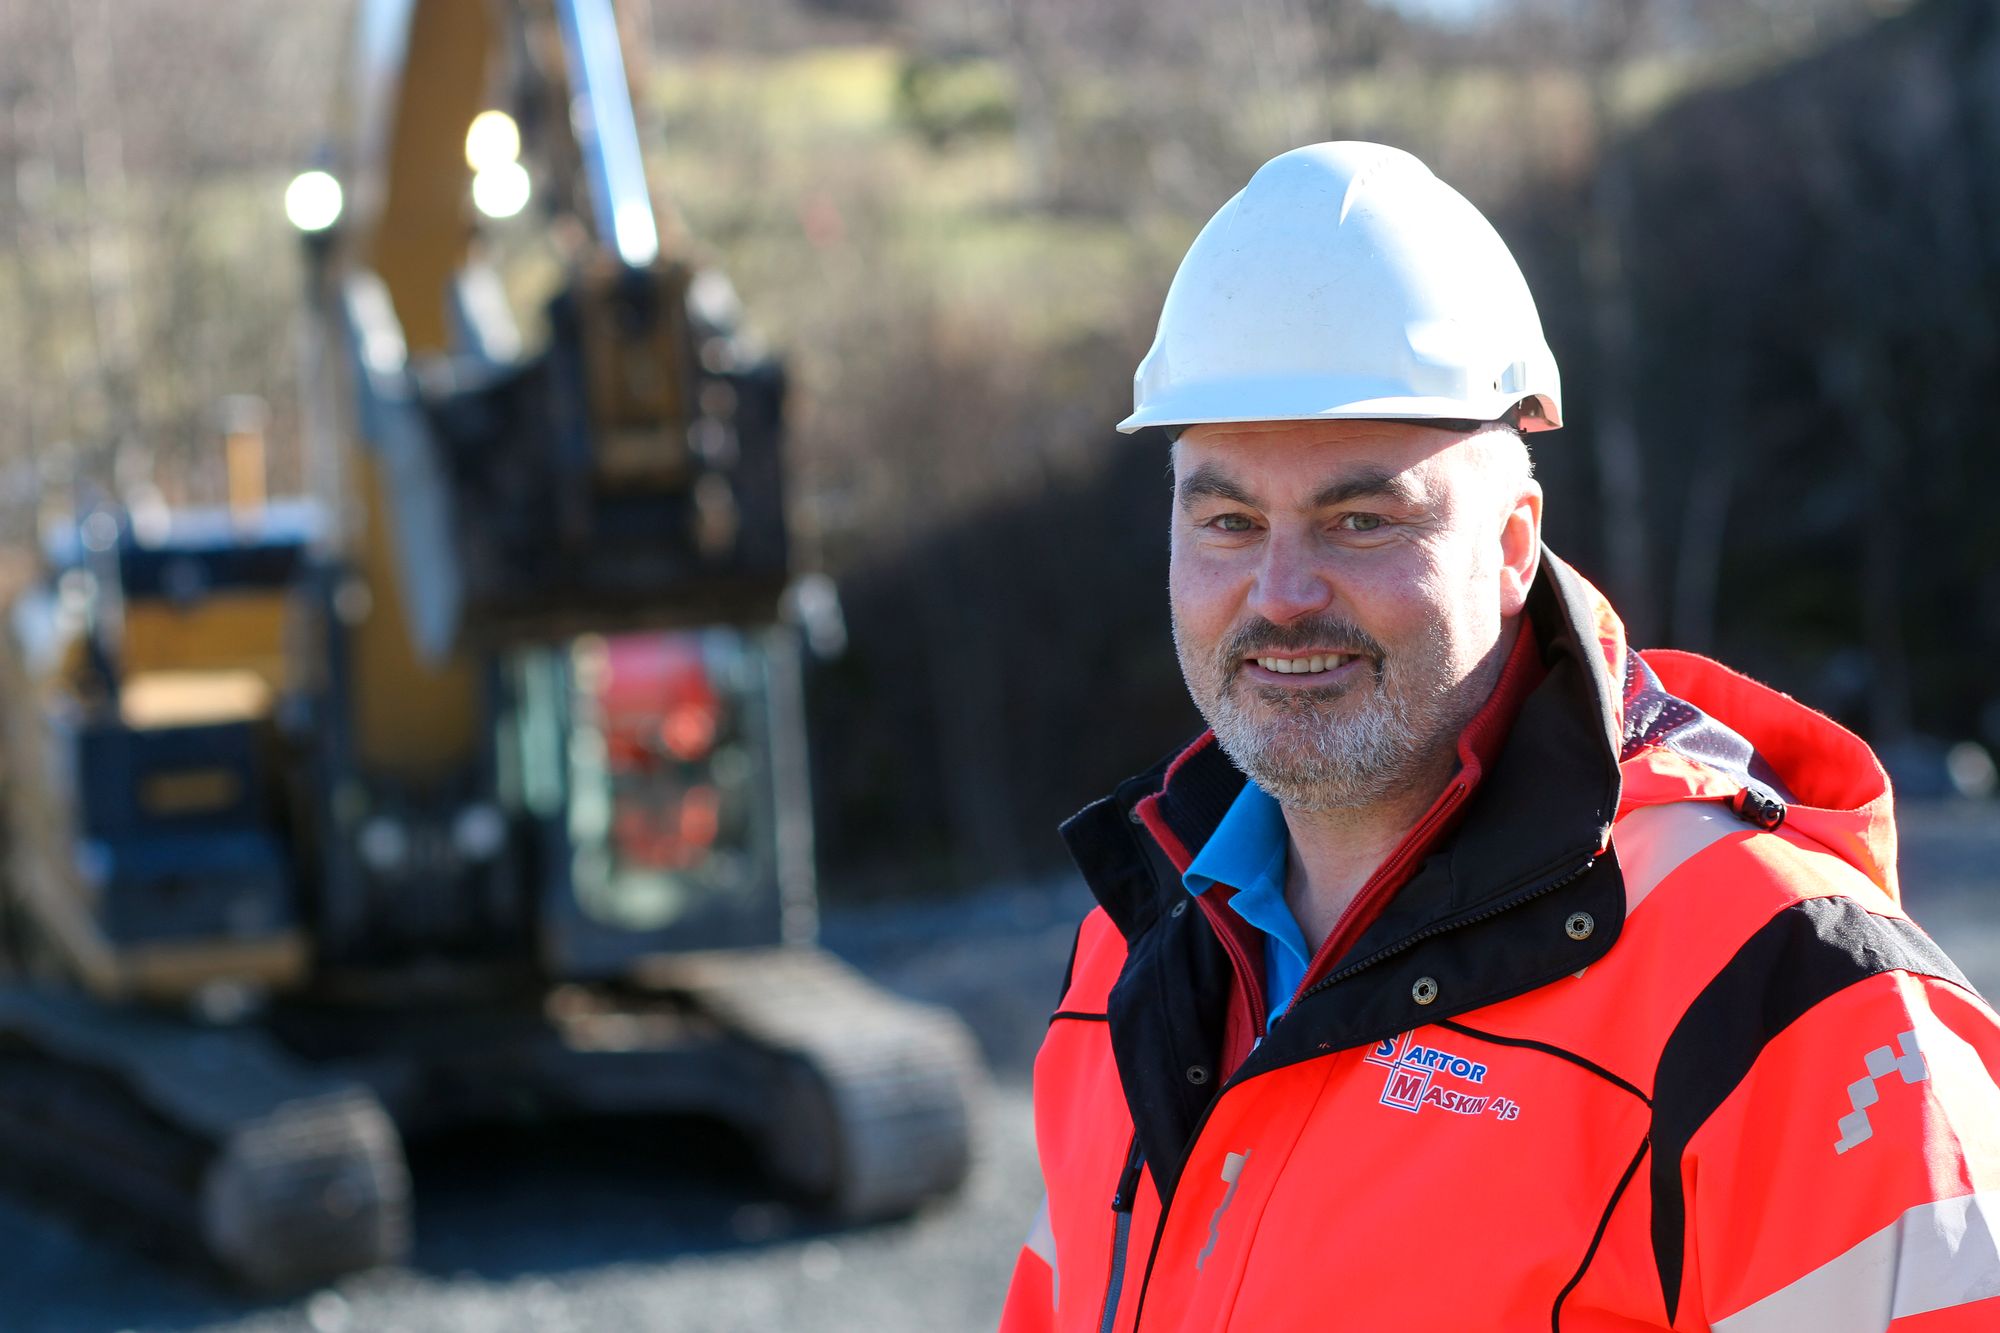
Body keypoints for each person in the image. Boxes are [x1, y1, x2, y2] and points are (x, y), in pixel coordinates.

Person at [998, 142, 2000, 1332]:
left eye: (1359, 518)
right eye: (1224, 519)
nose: (1278, 592)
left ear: (1514, 542)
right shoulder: (1125, 965)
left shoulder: (1787, 1005)